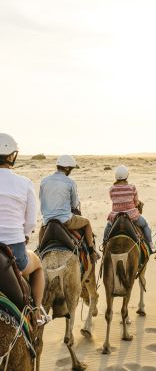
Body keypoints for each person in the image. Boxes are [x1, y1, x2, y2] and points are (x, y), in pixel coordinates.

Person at [0, 133, 48, 325]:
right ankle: (36, 312)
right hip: (14, 253)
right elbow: (30, 222)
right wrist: (25, 235)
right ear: (12, 156)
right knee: (37, 267)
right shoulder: (24, 183)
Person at [39, 155, 99, 263]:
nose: (70, 171)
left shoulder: (44, 181)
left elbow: (42, 199)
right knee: (87, 223)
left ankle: (39, 253)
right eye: (71, 168)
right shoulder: (69, 182)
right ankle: (91, 252)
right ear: (67, 168)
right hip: (65, 220)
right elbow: (74, 203)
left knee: (41, 229)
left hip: (47, 221)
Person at [104, 165, 156, 253]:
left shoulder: (112, 189)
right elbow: (136, 202)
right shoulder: (132, 187)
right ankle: (151, 244)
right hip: (131, 216)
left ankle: (104, 245)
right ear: (126, 176)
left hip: (116, 216)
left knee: (108, 227)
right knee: (145, 225)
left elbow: (113, 200)